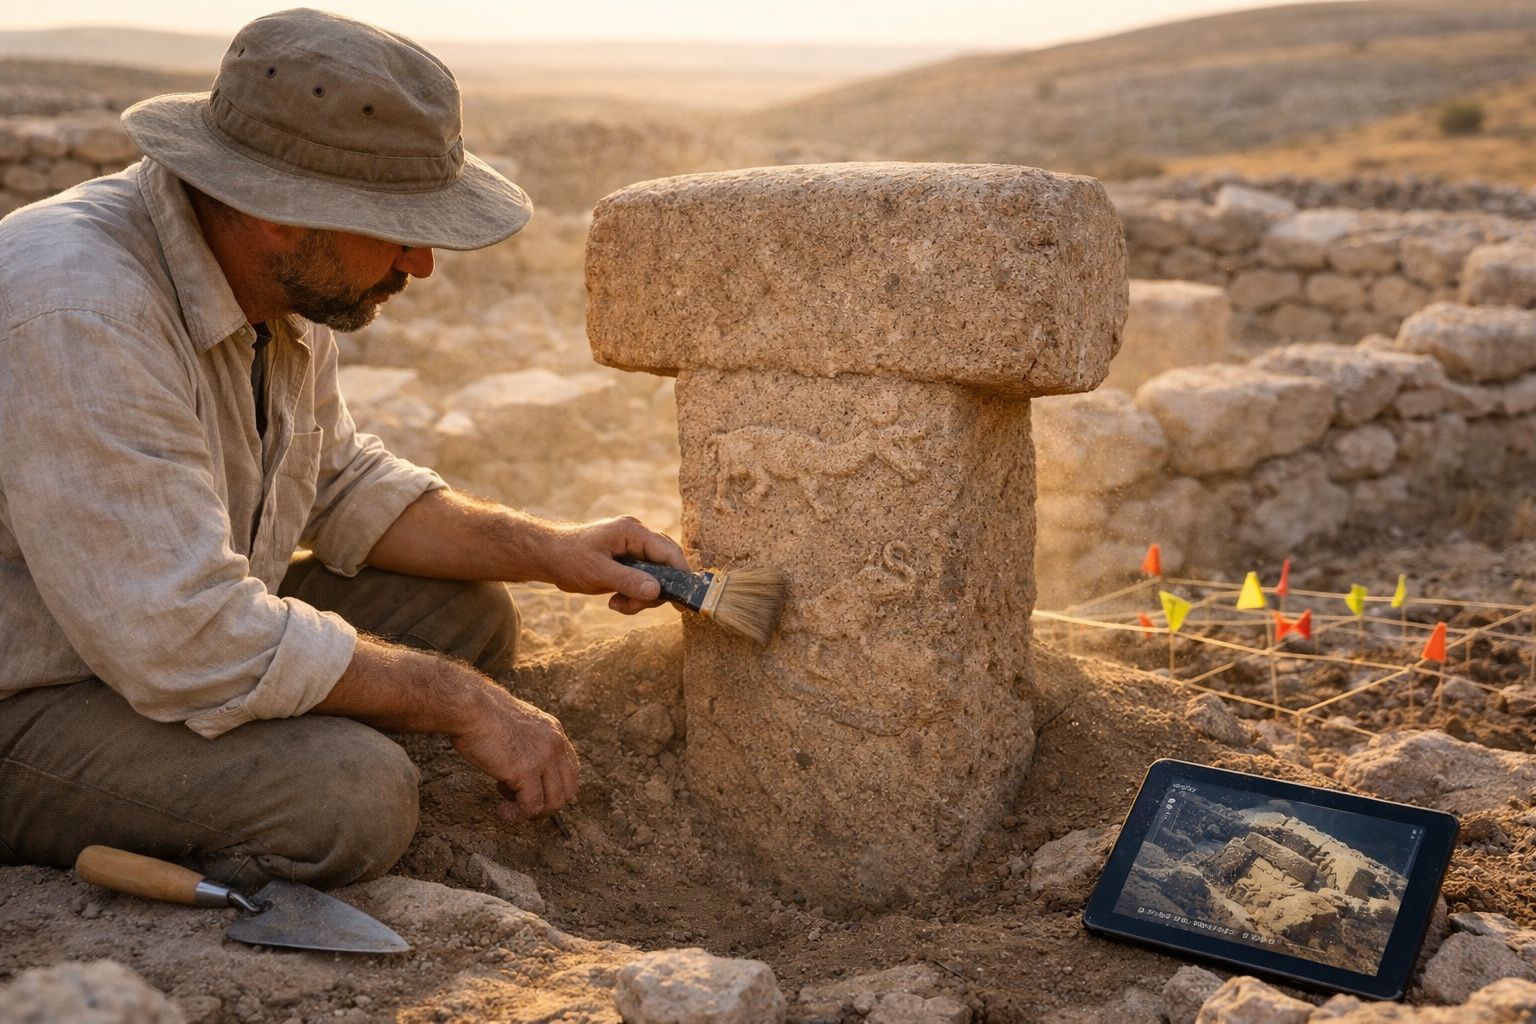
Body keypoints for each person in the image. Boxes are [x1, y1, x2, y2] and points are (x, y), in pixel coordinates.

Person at [0, 8, 687, 891]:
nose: (424, 263)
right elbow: (182, 636)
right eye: (401, 227)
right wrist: (456, 700)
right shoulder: (83, 311)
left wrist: (551, 550)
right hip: (34, 692)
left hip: (141, 634)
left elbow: (338, 481)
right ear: (281, 213)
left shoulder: (276, 280)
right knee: (349, 795)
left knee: (463, 615)